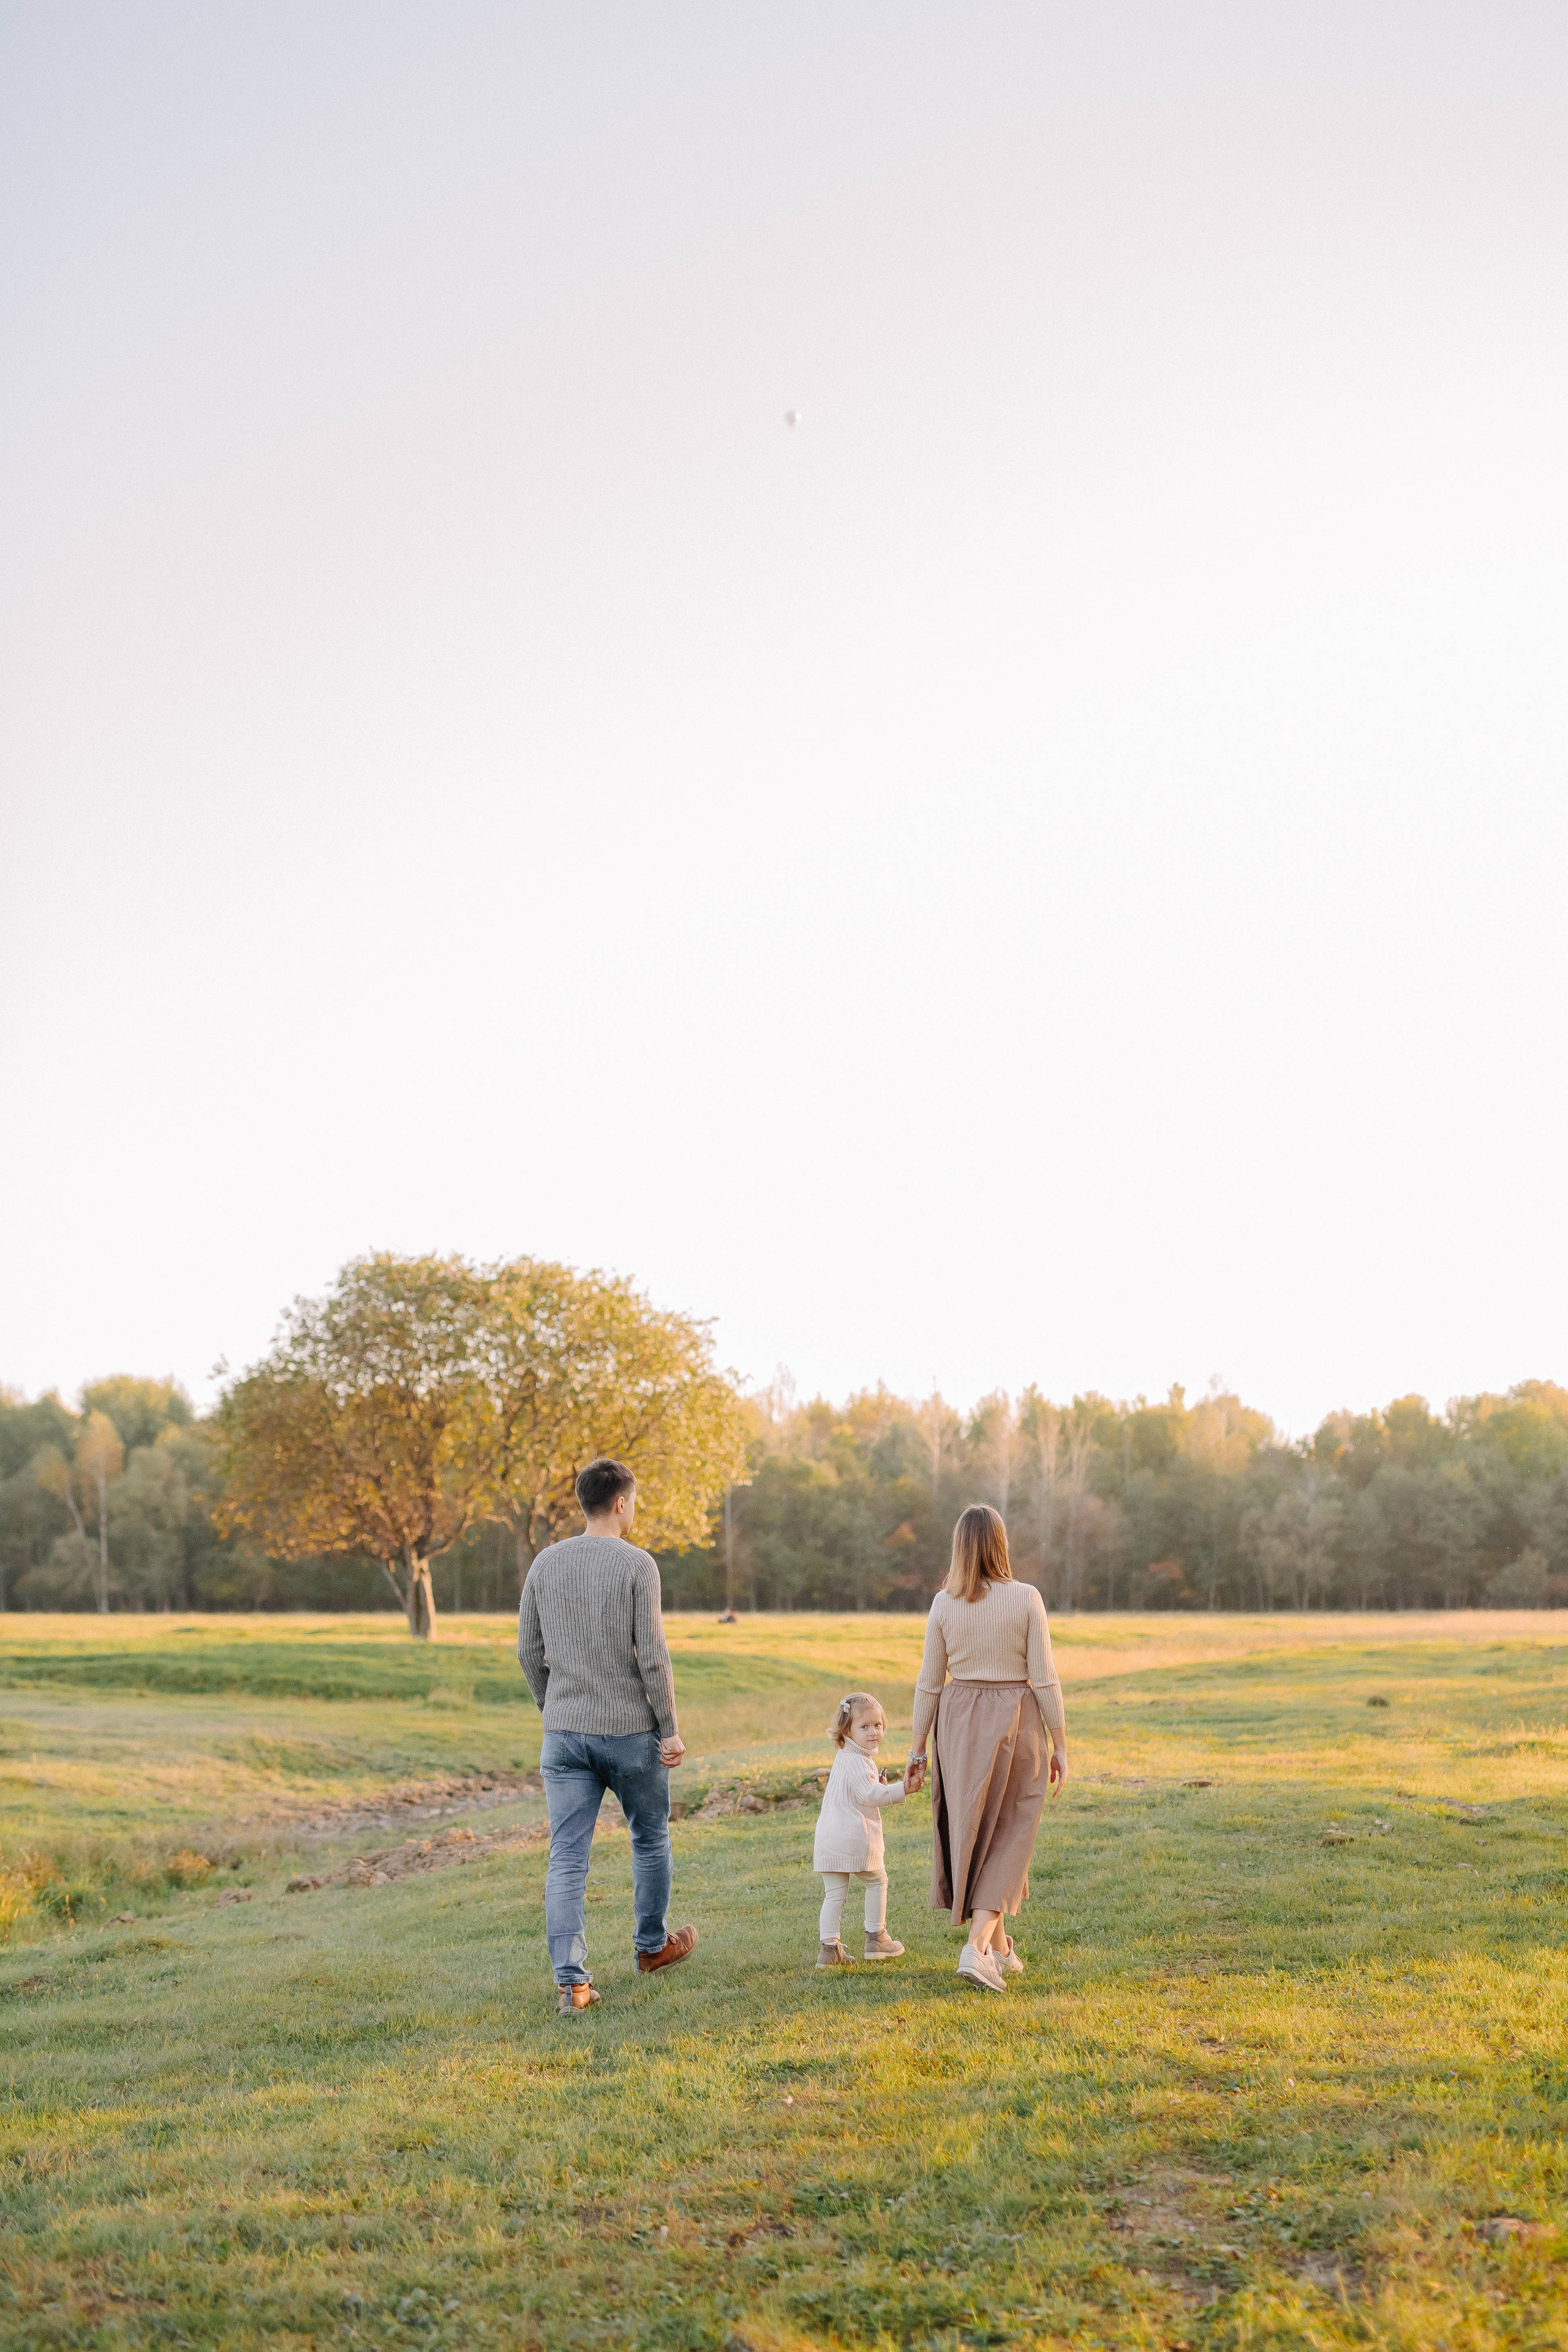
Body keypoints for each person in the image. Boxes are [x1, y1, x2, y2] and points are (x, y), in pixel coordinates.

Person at [518, 1457, 698, 2015]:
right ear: (621, 1502)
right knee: (649, 1838)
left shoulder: (545, 1564)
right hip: (628, 1733)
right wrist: (669, 1729)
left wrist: (555, 1708)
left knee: (567, 1858)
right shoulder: (638, 1566)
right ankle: (651, 1948)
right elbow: (654, 1657)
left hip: (564, 1734)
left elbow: (528, 1651)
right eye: (634, 1501)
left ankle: (573, 1984)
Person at [907, 1504, 1068, 1992]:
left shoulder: (943, 1603)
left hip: (957, 1723)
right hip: (1014, 1718)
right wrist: (1061, 1744)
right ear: (1001, 1543)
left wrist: (917, 1751)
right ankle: (977, 1949)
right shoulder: (1026, 1599)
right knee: (1012, 1832)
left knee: (976, 1831)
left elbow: (929, 1684)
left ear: (959, 1546)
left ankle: (1002, 1947)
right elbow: (1044, 1678)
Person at [812, 1692, 914, 1967]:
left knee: (834, 1895)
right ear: (847, 1730)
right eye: (864, 1727)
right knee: (877, 1881)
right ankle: (876, 1937)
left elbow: (861, 1790)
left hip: (829, 1839)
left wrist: (879, 1785)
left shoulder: (846, 1758)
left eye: (878, 1725)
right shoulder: (856, 1761)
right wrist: (902, 1788)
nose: (873, 1732)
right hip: (852, 1837)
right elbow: (870, 1796)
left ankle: (829, 1950)